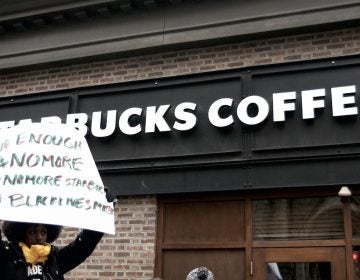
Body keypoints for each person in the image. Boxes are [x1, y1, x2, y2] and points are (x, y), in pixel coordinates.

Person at [0, 221, 104, 280]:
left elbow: (81, 248)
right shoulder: (7, 255)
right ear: (21, 234)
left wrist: (101, 214)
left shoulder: (53, 257)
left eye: (44, 232)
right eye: (32, 232)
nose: (39, 237)